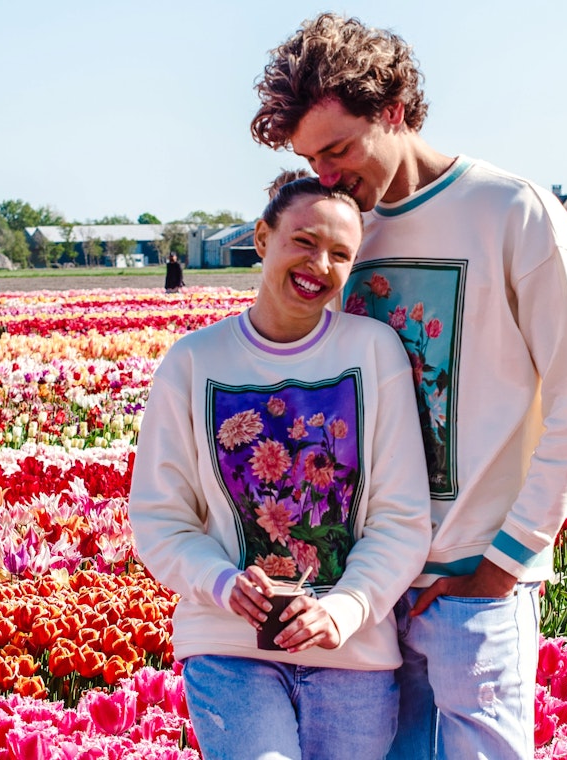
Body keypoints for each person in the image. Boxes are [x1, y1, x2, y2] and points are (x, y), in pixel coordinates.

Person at [252, 15, 567, 759]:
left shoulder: (511, 212)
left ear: (392, 111)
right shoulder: (342, 233)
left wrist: (503, 563)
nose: (325, 176)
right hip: (361, 590)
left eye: (339, 148)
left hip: (472, 580)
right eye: (309, 159)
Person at [129, 176, 432, 760]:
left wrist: (344, 608)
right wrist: (224, 585)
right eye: (304, 241)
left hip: (353, 652)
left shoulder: (373, 352)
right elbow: (161, 518)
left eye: (341, 254)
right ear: (263, 238)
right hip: (228, 646)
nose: (320, 264)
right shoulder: (194, 362)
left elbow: (400, 517)